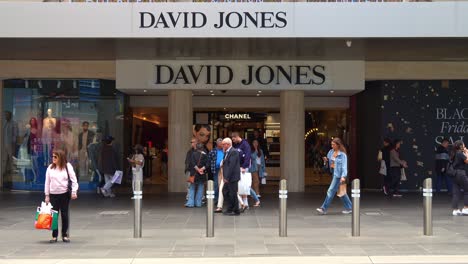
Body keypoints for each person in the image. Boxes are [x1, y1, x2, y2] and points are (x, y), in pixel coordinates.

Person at [44, 149, 78, 243]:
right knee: (54, 215)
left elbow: (74, 180)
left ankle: (65, 235)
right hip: (53, 195)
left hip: (64, 194)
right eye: (52, 157)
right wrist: (47, 195)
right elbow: (47, 182)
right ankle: (54, 236)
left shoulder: (67, 166)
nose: (53, 158)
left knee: (64, 215)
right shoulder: (50, 168)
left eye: (55, 157)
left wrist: (74, 191)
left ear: (60, 158)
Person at [316, 138, 352, 215]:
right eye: (331, 144)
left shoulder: (342, 155)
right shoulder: (330, 152)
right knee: (342, 193)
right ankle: (350, 208)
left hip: (338, 175)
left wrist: (343, 176)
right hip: (334, 174)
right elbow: (327, 165)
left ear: (338, 145)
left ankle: (323, 208)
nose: (332, 146)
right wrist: (325, 161)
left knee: (331, 191)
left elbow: (344, 167)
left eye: (333, 144)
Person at [231, 131, 252, 210]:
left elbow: (248, 156)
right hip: (237, 167)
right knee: (238, 185)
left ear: (237, 137)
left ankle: (245, 202)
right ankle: (240, 203)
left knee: (244, 184)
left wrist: (244, 166)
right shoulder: (235, 145)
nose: (233, 141)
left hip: (243, 167)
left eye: (233, 139)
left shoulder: (245, 144)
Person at [222, 138, 241, 216]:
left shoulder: (233, 152)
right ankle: (230, 208)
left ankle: (236, 210)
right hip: (228, 177)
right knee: (225, 191)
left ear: (228, 144)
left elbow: (231, 166)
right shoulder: (227, 152)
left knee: (233, 193)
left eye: (223, 144)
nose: (222, 146)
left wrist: (226, 177)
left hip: (232, 177)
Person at [185, 143, 209, 208]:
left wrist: (197, 169)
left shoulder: (193, 154)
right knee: (201, 188)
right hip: (202, 174)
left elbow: (192, 163)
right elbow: (207, 164)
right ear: (202, 148)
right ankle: (198, 203)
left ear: (196, 148)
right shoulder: (205, 155)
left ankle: (190, 203)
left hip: (194, 173)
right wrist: (201, 169)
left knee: (192, 188)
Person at [448, 140, 468, 216]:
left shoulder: (453, 153)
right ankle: (466, 208)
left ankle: (455, 210)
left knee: (456, 192)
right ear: (461, 146)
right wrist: (466, 152)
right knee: (467, 190)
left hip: (454, 174)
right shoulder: (460, 153)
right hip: (461, 173)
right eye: (463, 144)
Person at [2, 111, 18, 178]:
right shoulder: (4, 123)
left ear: (10, 116)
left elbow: (15, 134)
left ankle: (12, 171)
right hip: (4, 144)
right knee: (4, 158)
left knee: (11, 158)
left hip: (10, 144)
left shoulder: (13, 123)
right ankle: (3, 171)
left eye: (7, 115)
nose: (6, 116)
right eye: (5, 115)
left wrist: (13, 143)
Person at [209, 138, 224, 204]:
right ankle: (216, 199)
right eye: (220, 143)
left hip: (224, 170)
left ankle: (223, 199)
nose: (222, 144)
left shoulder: (225, 150)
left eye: (222, 143)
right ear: (217, 144)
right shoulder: (213, 151)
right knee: (216, 185)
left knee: (224, 184)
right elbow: (209, 159)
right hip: (216, 169)